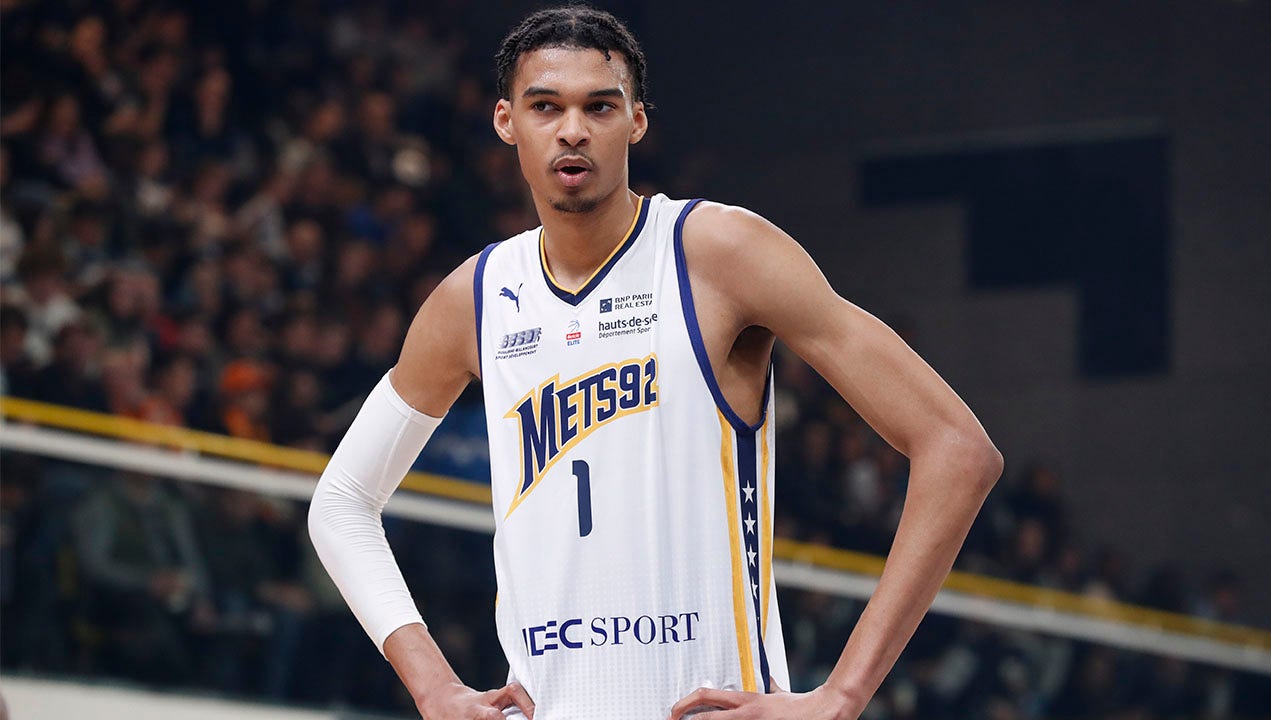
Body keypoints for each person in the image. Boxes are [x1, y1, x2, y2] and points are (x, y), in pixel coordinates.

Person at [309, 7, 1003, 720]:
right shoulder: (474, 299)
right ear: (505, 122)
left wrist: (843, 695)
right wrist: (432, 685)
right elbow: (340, 503)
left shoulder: (719, 253)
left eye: (599, 106)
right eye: (545, 107)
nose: (572, 130)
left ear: (636, 121)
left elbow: (957, 449)